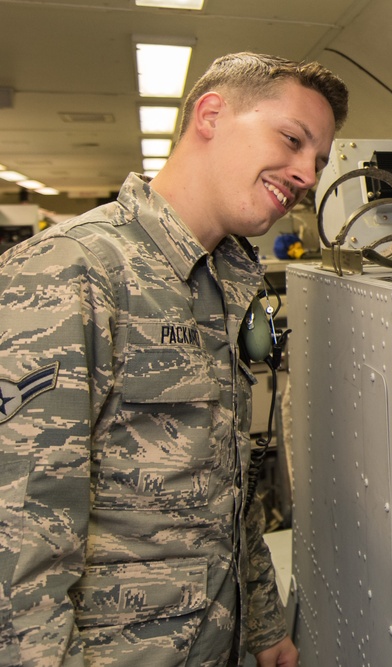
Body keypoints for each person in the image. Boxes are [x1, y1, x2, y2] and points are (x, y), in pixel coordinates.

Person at [0, 52, 347, 666]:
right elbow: (20, 546)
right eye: (292, 141)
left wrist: (263, 626)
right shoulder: (68, 272)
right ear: (211, 114)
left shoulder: (227, 283)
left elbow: (224, 490)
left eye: (317, 161)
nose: (305, 174)